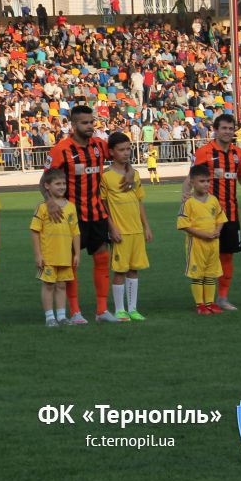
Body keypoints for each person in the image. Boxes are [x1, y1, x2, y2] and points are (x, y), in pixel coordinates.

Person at [45, 105, 128, 325]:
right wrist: (50, 202)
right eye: (85, 123)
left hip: (97, 214)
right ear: (73, 125)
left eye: (92, 122)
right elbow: (45, 180)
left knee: (102, 258)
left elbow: (122, 153)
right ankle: (75, 312)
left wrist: (128, 171)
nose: (90, 126)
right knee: (72, 262)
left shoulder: (100, 146)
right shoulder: (61, 150)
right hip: (72, 217)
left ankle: (102, 310)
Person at [185, 113, 241, 311]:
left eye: (231, 129)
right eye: (224, 128)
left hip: (230, 214)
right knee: (206, 257)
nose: (228, 132)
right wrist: (184, 195)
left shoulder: (237, 153)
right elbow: (192, 176)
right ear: (215, 130)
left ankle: (222, 298)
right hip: (207, 217)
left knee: (227, 256)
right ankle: (204, 301)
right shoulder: (205, 151)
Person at [100, 133, 152, 322]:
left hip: (136, 230)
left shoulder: (134, 173)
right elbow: (103, 205)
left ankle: (133, 308)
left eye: (128, 149)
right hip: (120, 231)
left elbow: (139, 201)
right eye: (121, 149)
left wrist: (146, 226)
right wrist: (111, 228)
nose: (126, 153)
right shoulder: (105, 176)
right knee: (120, 271)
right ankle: (120, 309)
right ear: (112, 152)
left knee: (134, 270)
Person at [30, 169, 80, 327]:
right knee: (49, 285)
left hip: (65, 255)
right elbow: (34, 231)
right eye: (57, 184)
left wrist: (77, 253)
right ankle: (49, 317)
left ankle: (62, 316)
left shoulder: (71, 207)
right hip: (49, 255)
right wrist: (38, 255)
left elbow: (75, 232)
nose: (62, 186)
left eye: (64, 183)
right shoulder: (43, 207)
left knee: (62, 285)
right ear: (47, 186)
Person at [177, 165, 227, 315]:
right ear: (192, 182)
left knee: (211, 273)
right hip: (197, 245)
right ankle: (200, 304)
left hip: (213, 244)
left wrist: (217, 230)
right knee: (198, 274)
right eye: (201, 181)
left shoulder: (213, 200)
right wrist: (201, 234)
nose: (206, 184)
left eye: (208, 181)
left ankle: (210, 303)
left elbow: (220, 218)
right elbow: (183, 225)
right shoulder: (188, 202)